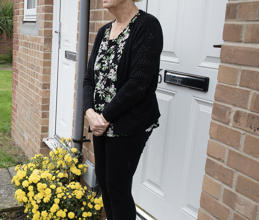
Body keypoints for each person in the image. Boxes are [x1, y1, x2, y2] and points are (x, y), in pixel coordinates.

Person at [82, 0, 163, 219]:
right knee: (105, 185)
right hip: (100, 123)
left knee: (117, 187)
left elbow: (139, 83)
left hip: (129, 124)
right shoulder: (103, 31)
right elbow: (89, 78)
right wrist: (89, 112)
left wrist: (104, 117)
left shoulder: (147, 26)